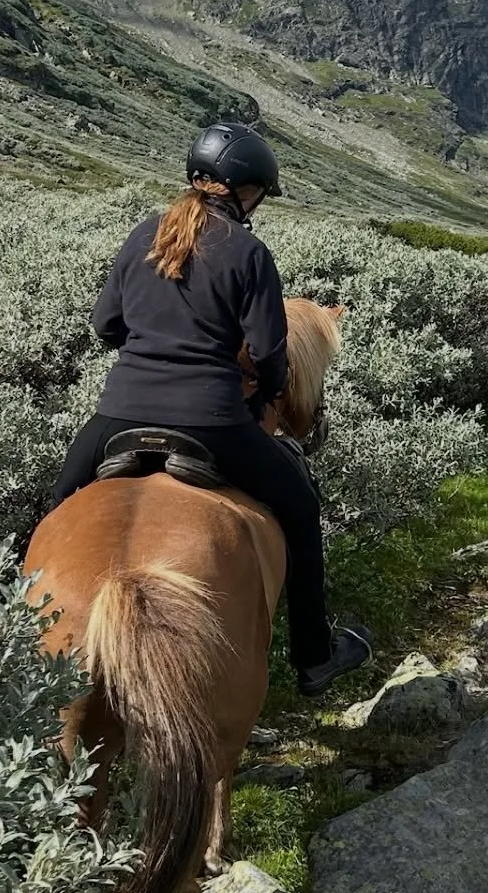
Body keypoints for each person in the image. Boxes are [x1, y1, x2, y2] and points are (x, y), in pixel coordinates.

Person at [49, 120, 372, 696]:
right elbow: (272, 351)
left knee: (54, 512)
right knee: (299, 508)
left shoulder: (143, 235)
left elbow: (106, 325)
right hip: (214, 420)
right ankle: (316, 655)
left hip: (119, 413)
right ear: (245, 190)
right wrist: (265, 388)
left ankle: (5, 637)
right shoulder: (248, 252)